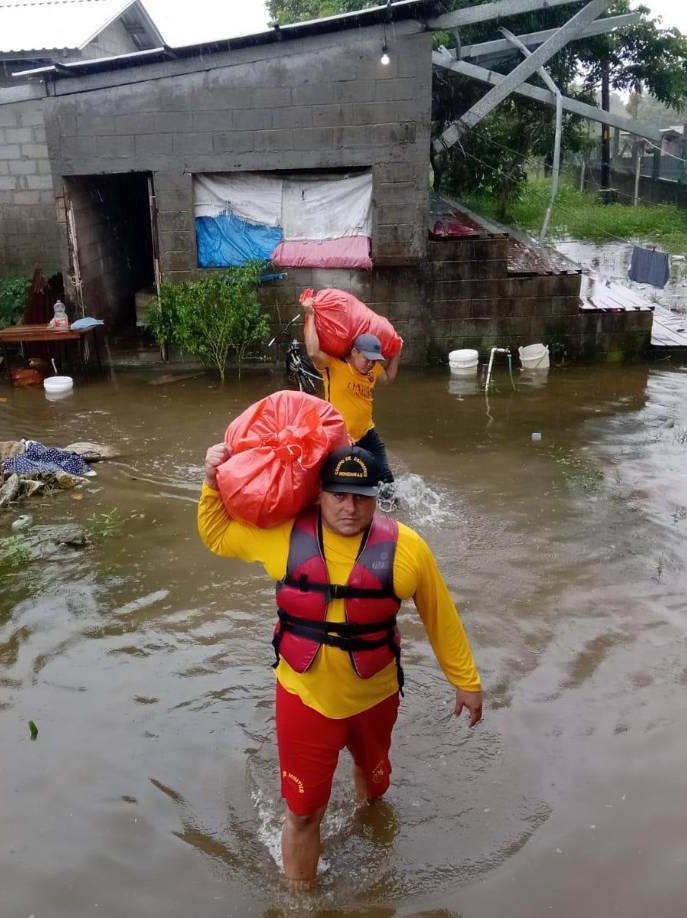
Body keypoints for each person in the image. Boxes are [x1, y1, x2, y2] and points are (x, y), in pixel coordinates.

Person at [198, 443, 483, 888]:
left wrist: (467, 683)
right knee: (303, 812)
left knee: (375, 789)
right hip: (304, 699)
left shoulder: (409, 549)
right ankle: (299, 901)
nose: (350, 508)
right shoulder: (282, 535)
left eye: (362, 497)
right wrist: (212, 483)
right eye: (338, 496)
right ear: (320, 493)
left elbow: (440, 617)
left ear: (376, 497)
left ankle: (368, 809)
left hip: (376, 697)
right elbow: (216, 534)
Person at [302, 297, 399, 483]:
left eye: (374, 360)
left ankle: (389, 510)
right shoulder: (334, 366)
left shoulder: (373, 369)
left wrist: (396, 352)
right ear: (354, 352)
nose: (370, 364)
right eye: (367, 358)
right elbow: (313, 352)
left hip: (367, 433)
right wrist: (310, 315)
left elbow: (388, 379)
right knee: (341, 483)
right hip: (339, 437)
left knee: (386, 480)